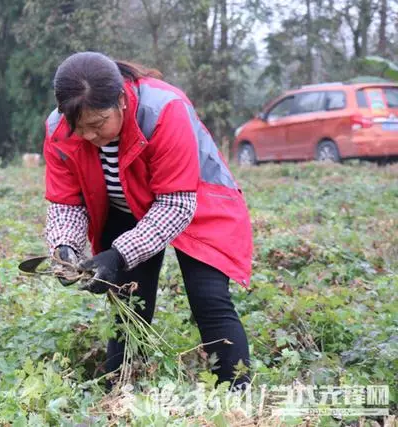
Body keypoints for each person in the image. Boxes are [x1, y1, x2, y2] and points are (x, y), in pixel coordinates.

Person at [43, 51, 253, 390]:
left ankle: (238, 396)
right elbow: (66, 202)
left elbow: (175, 205)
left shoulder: (165, 110)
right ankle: (120, 392)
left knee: (209, 298)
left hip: (198, 205)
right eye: (81, 129)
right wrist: (64, 247)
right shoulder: (59, 129)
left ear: (122, 100)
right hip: (125, 208)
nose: (91, 136)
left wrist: (117, 254)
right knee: (129, 301)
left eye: (98, 125)